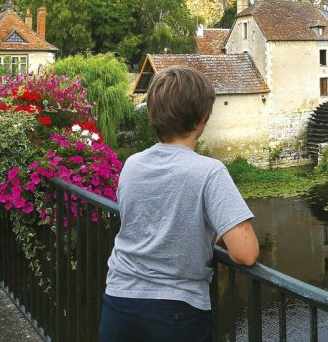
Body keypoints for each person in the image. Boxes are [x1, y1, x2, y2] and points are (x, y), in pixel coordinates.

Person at [100, 66, 259, 342]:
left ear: (152, 114)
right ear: (203, 118)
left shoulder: (132, 165)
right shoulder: (210, 172)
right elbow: (245, 253)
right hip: (175, 313)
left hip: (119, 301)